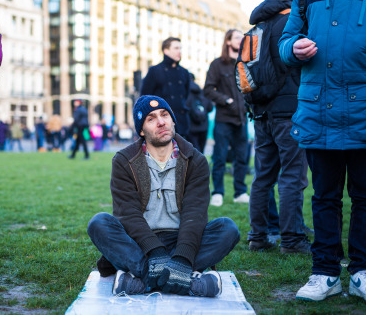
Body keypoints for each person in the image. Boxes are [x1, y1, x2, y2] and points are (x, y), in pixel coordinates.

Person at [279, 0, 366, 303]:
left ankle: (365, 272)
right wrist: (292, 48)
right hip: (319, 111)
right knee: (324, 197)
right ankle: (325, 272)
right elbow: (284, 41)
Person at [87, 95, 240, 297]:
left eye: (165, 115)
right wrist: (155, 252)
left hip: (182, 240)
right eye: (151, 118)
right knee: (99, 223)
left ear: (173, 120)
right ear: (141, 131)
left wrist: (183, 257)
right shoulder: (124, 161)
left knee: (227, 229)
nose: (161, 122)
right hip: (140, 244)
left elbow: (195, 214)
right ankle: (185, 282)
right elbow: (128, 214)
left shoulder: (196, 160)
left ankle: (144, 282)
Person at [244, 0, 311, 254]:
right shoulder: (292, 25)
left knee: (263, 177)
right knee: (293, 176)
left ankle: (257, 236)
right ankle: (292, 239)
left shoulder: (254, 29)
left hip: (261, 113)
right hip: (289, 111)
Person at [204, 29, 249, 207]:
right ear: (228, 41)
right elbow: (207, 89)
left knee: (242, 157)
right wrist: (226, 100)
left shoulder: (245, 63)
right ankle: (218, 193)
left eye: (242, 38)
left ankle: (240, 192)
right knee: (220, 157)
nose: (241, 40)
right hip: (223, 119)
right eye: (237, 37)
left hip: (242, 118)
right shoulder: (217, 64)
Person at [141, 37, 191, 137]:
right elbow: (145, 97)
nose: (179, 51)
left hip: (181, 121)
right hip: (161, 123)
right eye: (176, 48)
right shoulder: (155, 71)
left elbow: (185, 95)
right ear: (166, 51)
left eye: (180, 48)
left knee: (181, 151)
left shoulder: (184, 72)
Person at [186, 74, 213, 154]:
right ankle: (202, 165)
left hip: (191, 127)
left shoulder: (185, 94)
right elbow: (210, 108)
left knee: (193, 151)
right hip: (203, 126)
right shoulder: (203, 93)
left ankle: (195, 166)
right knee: (201, 151)